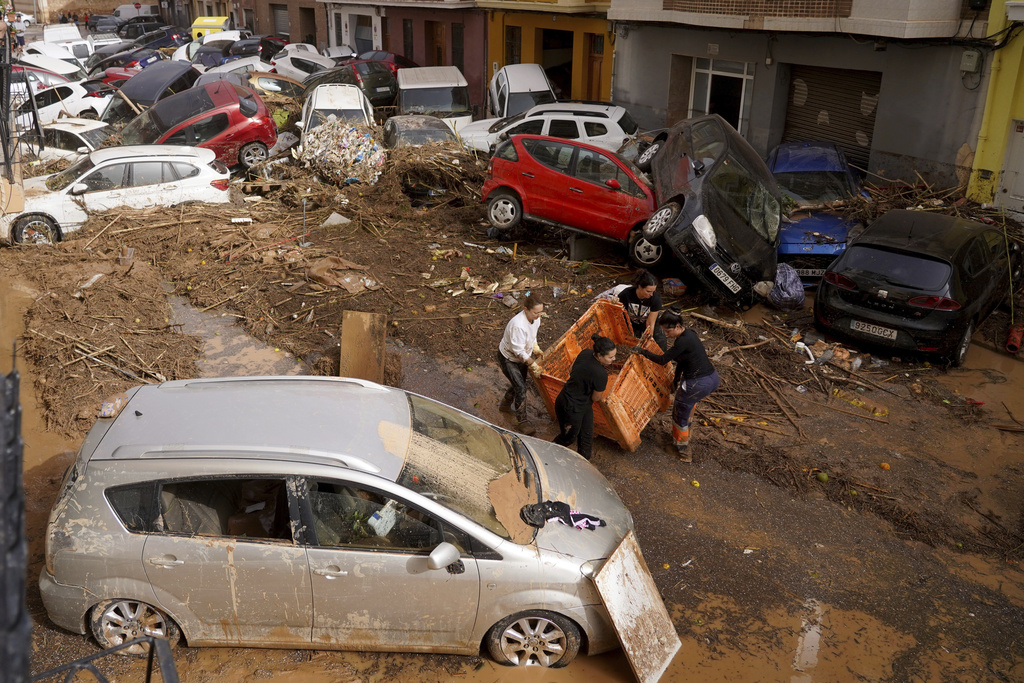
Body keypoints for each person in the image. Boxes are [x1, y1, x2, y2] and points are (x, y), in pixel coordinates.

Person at [635, 310, 719, 462]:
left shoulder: (682, 341)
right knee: (688, 406)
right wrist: (675, 380)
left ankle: (683, 450)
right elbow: (682, 361)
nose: (666, 334)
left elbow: (662, 360)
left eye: (668, 330)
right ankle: (687, 432)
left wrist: (642, 352)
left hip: (697, 383)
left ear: (678, 326)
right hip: (711, 378)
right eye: (664, 331)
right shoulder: (690, 335)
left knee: (680, 412)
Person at [553, 335, 616, 460]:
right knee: (568, 438)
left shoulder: (586, 353)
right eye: (610, 357)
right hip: (571, 407)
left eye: (614, 355)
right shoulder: (601, 374)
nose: (614, 359)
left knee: (587, 435)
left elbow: (571, 369)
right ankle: (547, 452)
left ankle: (584, 461)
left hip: (575, 401)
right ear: (599, 356)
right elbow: (596, 397)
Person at [497, 296, 544, 435]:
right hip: (509, 358)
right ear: (526, 310)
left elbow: (533, 334)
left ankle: (505, 405)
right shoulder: (518, 325)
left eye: (541, 311)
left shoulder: (536, 318)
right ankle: (522, 422)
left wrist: (535, 347)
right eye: (536, 312)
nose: (539, 315)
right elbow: (518, 351)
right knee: (521, 388)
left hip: (523, 356)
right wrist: (533, 365)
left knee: (519, 383)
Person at [618, 269, 667, 350]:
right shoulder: (626, 294)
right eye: (648, 291)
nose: (651, 294)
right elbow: (617, 310)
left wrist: (648, 339)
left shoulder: (655, 299)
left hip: (648, 322)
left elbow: (650, 323)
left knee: (660, 342)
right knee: (632, 344)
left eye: (653, 292)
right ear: (640, 287)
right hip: (632, 323)